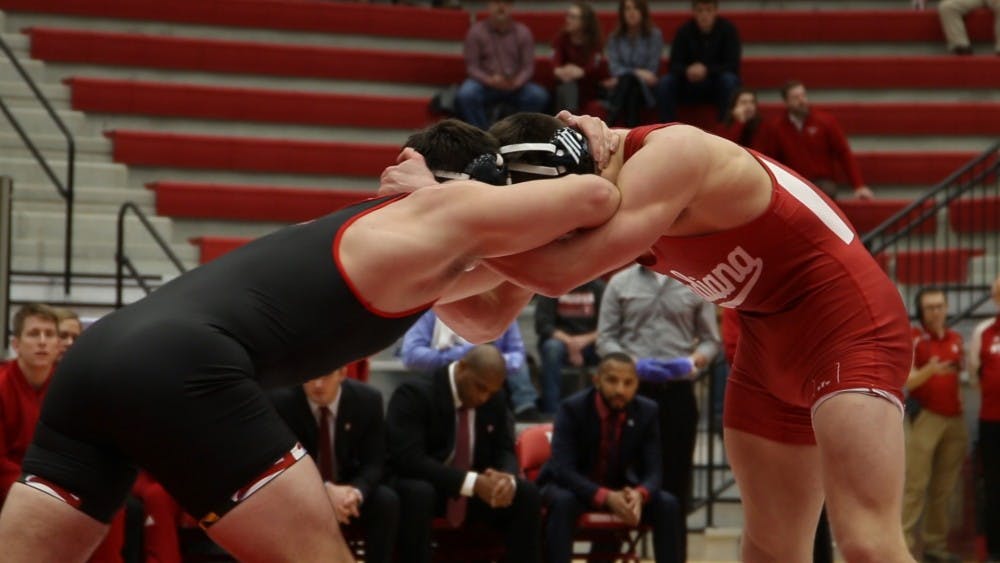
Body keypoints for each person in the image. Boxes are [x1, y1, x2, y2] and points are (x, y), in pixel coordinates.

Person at [0, 115, 621, 563]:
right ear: (475, 184)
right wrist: (596, 144)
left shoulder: (398, 242)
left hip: (98, 359)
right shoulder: (440, 213)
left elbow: (487, 315)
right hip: (184, 368)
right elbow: (595, 197)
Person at [483, 112, 915, 562]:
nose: (557, 230)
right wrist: (433, 210)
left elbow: (556, 276)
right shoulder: (601, 193)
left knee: (868, 543)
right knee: (770, 549)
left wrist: (462, 226)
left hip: (846, 327)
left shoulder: (673, 154)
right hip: (765, 347)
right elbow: (485, 319)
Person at [596, 263, 720, 559]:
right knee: (618, 475)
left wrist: (692, 362)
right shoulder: (619, 283)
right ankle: (606, 554)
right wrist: (632, 364)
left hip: (677, 392)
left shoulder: (696, 283)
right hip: (629, 392)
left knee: (676, 483)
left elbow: (711, 341)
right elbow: (605, 339)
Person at [386, 345, 542, 563]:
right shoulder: (414, 393)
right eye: (480, 388)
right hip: (430, 487)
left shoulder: (494, 399)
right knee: (419, 492)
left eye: (491, 391)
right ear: (462, 368)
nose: (483, 397)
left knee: (526, 493)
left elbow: (505, 449)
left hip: (476, 491)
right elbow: (409, 460)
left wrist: (505, 478)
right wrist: (471, 482)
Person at [0, 304, 127, 563]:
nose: (43, 342)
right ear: (16, 343)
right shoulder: (2, 387)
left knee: (110, 505)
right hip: (17, 483)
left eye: (49, 334)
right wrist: (38, 489)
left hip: (59, 478)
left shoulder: (69, 385)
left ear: (59, 344)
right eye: (34, 334)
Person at [538, 352, 682, 563]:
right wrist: (605, 496)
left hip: (619, 489)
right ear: (597, 380)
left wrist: (639, 495)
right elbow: (563, 470)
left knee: (668, 504)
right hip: (573, 488)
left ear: (637, 384)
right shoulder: (572, 408)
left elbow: (654, 471)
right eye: (612, 380)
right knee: (563, 502)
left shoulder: (647, 411)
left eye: (628, 383)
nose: (620, 390)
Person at [269, 366, 399, 563]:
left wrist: (355, 493)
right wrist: (324, 491)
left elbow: (374, 462)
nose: (318, 385)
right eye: (310, 376)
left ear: (342, 374)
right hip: (300, 489)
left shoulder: (368, 399)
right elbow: (280, 465)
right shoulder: (281, 402)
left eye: (326, 375)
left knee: (385, 500)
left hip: (349, 489)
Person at [901, 288, 967, 562]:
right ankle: (901, 546)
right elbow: (908, 381)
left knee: (944, 488)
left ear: (947, 307)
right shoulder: (914, 339)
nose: (936, 311)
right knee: (915, 486)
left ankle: (935, 545)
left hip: (955, 420)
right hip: (925, 418)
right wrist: (931, 369)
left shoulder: (956, 339)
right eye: (930, 307)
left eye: (940, 306)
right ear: (920, 311)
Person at [400, 309, 543, 422]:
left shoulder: (501, 309)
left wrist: (490, 359)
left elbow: (517, 354)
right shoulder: (433, 309)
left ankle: (525, 406)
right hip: (443, 384)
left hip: (491, 386)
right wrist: (464, 353)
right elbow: (411, 355)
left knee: (496, 374)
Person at [756, 80, 873, 201]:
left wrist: (858, 185)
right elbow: (771, 160)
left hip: (822, 182)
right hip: (793, 182)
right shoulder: (776, 127)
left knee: (822, 191)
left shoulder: (825, 122)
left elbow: (843, 153)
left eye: (803, 95)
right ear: (786, 102)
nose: (802, 100)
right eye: (796, 97)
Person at [456, 0, 548, 129]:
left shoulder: (523, 33)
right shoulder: (476, 32)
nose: (501, 6)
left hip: (515, 85)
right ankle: (482, 134)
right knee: (466, 94)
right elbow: (472, 67)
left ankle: (516, 131)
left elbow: (528, 67)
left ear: (511, 6)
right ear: (489, 5)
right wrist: (489, 80)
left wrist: (517, 82)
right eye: (496, 2)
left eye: (506, 2)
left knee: (538, 95)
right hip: (486, 85)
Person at [655, 0, 741, 124]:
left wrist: (707, 70)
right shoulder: (684, 31)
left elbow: (732, 65)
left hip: (715, 85)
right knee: (665, 82)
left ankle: (726, 128)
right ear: (694, 12)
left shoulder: (728, 30)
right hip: (688, 84)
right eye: (700, 10)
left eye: (708, 10)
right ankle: (667, 128)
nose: (704, 15)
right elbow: (673, 65)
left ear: (715, 11)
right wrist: (687, 70)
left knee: (729, 80)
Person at [534, 279, 605, 414]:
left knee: (610, 349)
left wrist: (582, 341)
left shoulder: (598, 287)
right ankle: (551, 412)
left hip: (591, 342)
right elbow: (543, 325)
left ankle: (600, 411)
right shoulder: (551, 285)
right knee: (552, 349)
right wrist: (571, 343)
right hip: (560, 342)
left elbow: (607, 325)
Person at [970, 274, 1000, 563]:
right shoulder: (984, 331)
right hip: (992, 420)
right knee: (993, 484)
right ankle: (994, 548)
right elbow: (976, 373)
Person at [603, 0, 663, 127]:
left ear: (643, 12)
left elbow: (651, 72)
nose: (631, 12)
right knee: (630, 85)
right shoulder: (614, 38)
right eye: (627, 9)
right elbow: (614, 68)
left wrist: (627, 75)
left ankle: (610, 122)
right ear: (622, 13)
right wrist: (637, 72)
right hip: (624, 87)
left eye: (636, 8)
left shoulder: (654, 36)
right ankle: (632, 131)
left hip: (645, 90)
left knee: (630, 82)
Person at [551, 1, 607, 114]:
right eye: (567, 15)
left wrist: (580, 71)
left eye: (573, 17)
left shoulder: (594, 41)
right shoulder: (562, 38)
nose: (567, 20)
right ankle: (571, 123)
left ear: (584, 22)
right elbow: (555, 64)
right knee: (567, 87)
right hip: (565, 84)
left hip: (588, 87)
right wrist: (563, 71)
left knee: (569, 87)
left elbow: (594, 67)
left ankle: (567, 124)